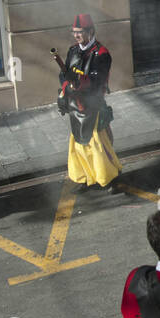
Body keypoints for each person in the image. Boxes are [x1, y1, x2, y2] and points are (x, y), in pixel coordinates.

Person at [58, 13, 121, 188]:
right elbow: (62, 75)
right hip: (75, 105)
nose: (77, 35)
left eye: (80, 32)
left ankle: (110, 177)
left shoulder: (102, 54)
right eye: (74, 32)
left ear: (91, 31)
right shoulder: (72, 51)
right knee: (78, 143)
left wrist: (79, 83)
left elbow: (97, 81)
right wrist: (67, 86)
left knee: (100, 143)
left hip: (93, 104)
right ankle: (87, 177)